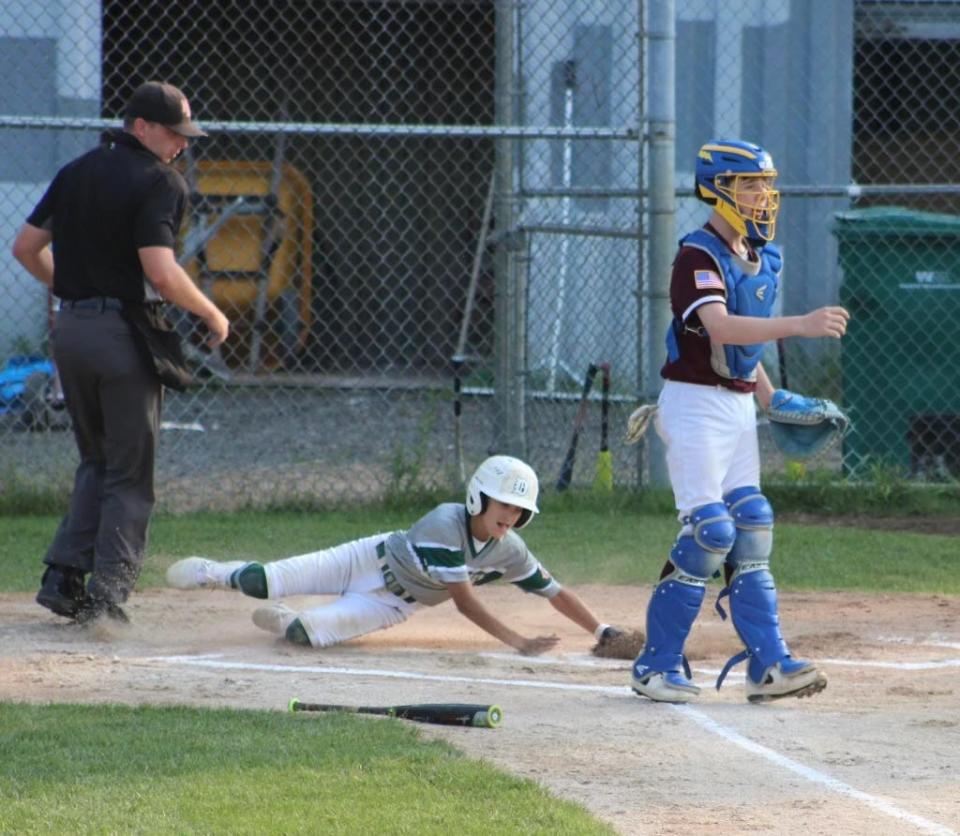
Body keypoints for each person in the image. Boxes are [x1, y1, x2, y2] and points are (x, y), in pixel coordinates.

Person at [630, 139, 850, 703]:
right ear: (717, 190)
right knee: (711, 532)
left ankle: (768, 665)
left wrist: (770, 398)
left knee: (751, 525)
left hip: (733, 405)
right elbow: (721, 328)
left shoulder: (762, 256)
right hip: (694, 404)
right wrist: (800, 325)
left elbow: (745, 354)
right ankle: (655, 665)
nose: (762, 195)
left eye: (765, 185)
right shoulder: (696, 256)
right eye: (749, 185)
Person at [11, 81, 230, 625]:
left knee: (98, 460)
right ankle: (108, 599)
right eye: (173, 133)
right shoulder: (161, 182)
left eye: (185, 135)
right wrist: (210, 311)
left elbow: (25, 248)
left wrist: (72, 291)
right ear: (141, 127)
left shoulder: (78, 169)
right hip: (120, 338)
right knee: (130, 472)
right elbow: (159, 269)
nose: (181, 144)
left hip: (72, 334)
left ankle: (63, 578)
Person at [166, 455, 622, 655]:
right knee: (260, 581)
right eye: (504, 504)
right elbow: (464, 602)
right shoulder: (446, 523)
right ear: (478, 498)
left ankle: (287, 618)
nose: (511, 515)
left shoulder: (510, 551)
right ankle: (216, 572)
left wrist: (603, 630)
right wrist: (518, 641)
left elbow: (555, 592)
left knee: (306, 635)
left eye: (520, 510)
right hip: (365, 559)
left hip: (392, 603)